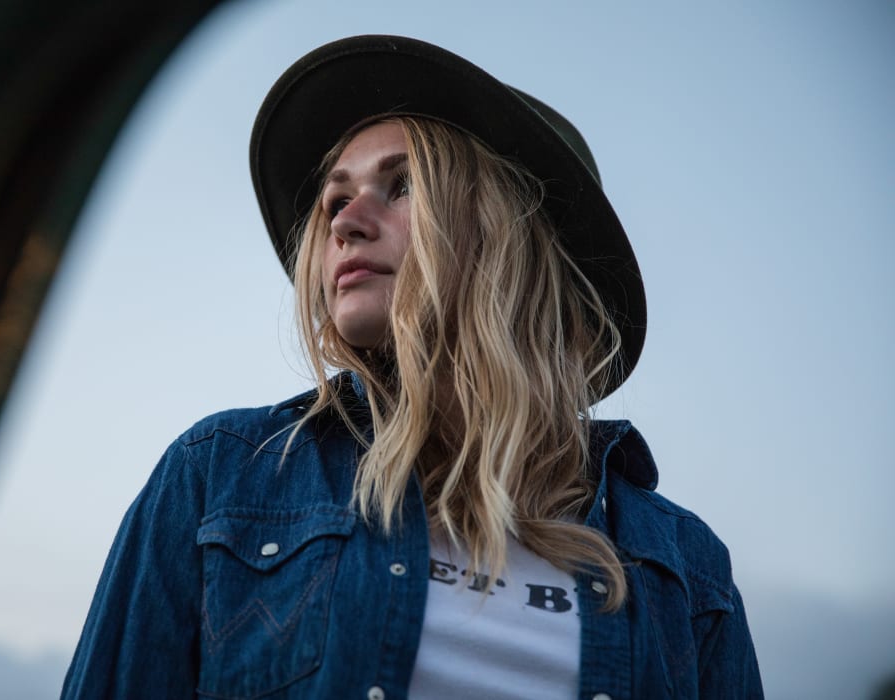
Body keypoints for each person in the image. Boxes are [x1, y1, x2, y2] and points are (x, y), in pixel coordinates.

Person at [62, 35, 762, 699]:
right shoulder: (218, 480)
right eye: (336, 198)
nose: (344, 221)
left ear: (512, 240)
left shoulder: (688, 573)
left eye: (402, 186)